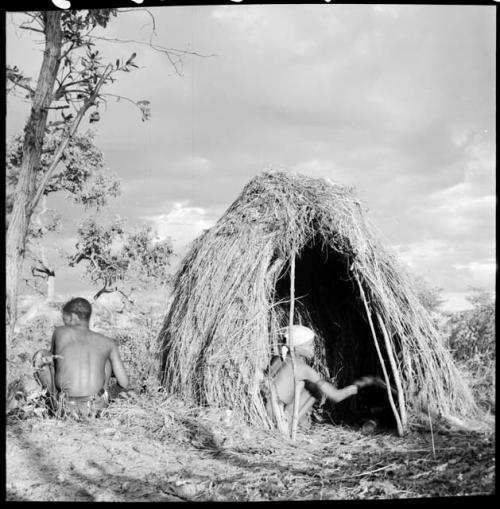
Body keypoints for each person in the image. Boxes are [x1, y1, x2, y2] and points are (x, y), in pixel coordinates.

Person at [266, 324, 387, 429]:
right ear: (297, 348)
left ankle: (300, 422)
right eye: (309, 345)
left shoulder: (278, 359)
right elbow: (336, 396)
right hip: (277, 418)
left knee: (308, 386)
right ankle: (293, 421)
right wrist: (360, 385)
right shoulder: (304, 369)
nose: (314, 348)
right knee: (317, 389)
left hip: (267, 414)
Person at [33, 297, 129, 419]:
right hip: (96, 409)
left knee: (43, 356)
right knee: (105, 360)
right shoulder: (108, 342)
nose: (64, 321)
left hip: (65, 409)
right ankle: (102, 401)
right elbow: (124, 383)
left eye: (65, 317)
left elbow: (54, 361)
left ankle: (53, 407)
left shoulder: (60, 332)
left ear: (73, 317)